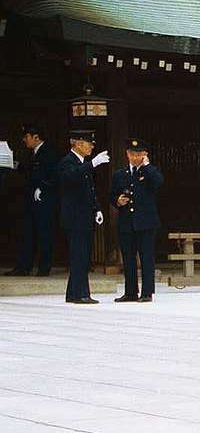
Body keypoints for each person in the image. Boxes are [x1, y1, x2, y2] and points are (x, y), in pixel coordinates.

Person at [59, 130, 110, 304]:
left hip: (85, 215)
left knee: (82, 255)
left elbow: (90, 189)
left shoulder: (83, 163)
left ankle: (73, 293)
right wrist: (93, 164)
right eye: (89, 143)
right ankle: (81, 294)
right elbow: (71, 177)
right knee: (79, 255)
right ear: (78, 144)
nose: (92, 146)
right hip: (75, 217)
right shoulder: (68, 161)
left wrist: (97, 209)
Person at [111, 138, 163, 303]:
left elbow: (158, 182)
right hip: (127, 222)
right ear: (127, 154)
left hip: (146, 222)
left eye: (139, 154)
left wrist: (146, 166)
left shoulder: (149, 172)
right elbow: (112, 195)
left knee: (146, 257)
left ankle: (147, 292)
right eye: (132, 154)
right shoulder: (120, 174)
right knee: (128, 258)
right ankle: (131, 291)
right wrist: (118, 201)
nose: (135, 158)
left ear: (145, 155)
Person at [4, 125, 59, 277]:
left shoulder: (48, 152)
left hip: (44, 200)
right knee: (27, 233)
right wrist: (16, 166)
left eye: (26, 136)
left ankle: (44, 268)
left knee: (44, 233)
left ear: (36, 137)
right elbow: (31, 171)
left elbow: (55, 174)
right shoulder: (33, 153)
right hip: (31, 200)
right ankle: (23, 266)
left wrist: (43, 187)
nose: (24, 140)